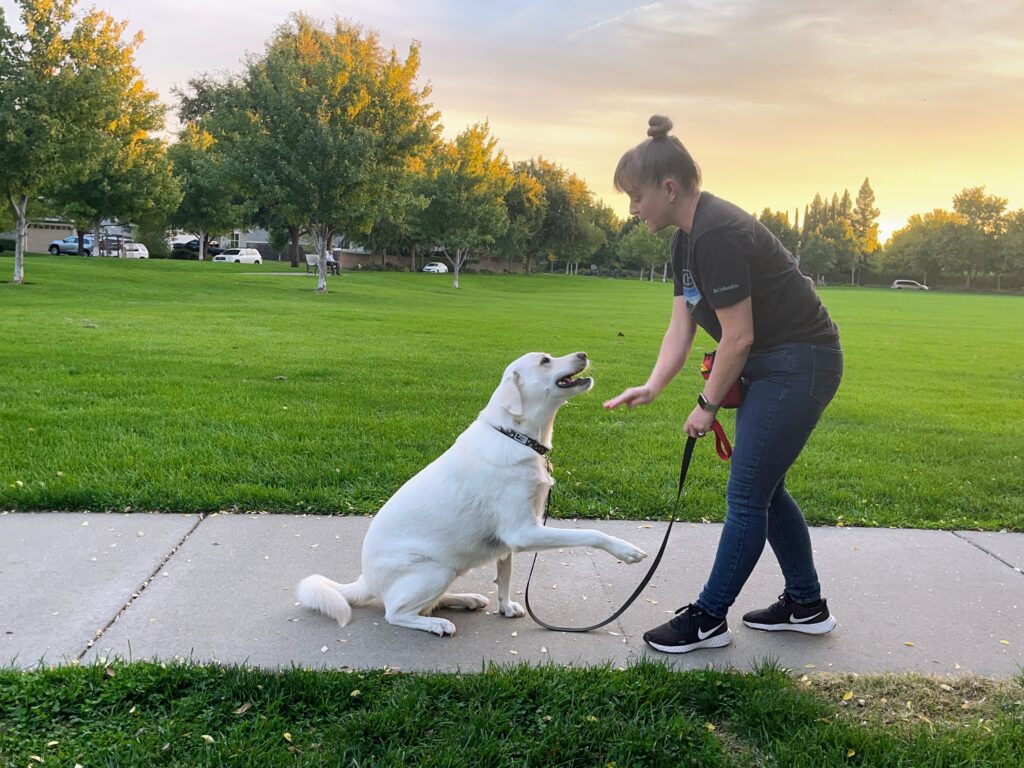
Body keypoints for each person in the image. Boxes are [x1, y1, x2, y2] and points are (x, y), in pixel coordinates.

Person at [604, 115, 844, 654]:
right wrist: (653, 385)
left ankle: (709, 618)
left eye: (636, 196)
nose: (633, 209)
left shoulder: (716, 234)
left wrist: (706, 407)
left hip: (799, 363)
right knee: (764, 487)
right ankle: (806, 604)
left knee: (745, 494)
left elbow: (738, 337)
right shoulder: (686, 243)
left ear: (669, 188)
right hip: (772, 363)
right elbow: (681, 326)